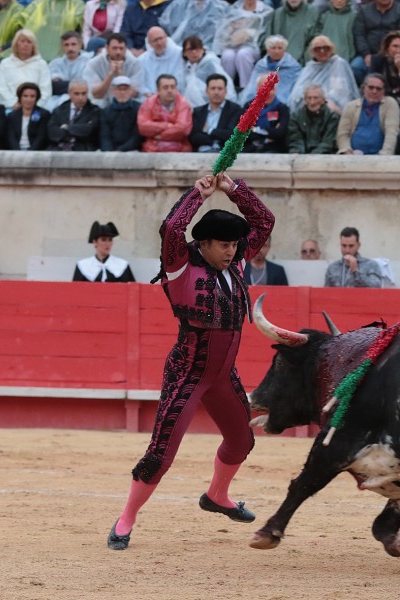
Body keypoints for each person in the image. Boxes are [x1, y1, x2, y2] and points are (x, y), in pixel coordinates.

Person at [106, 172, 274, 551]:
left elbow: (264, 222)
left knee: (242, 440)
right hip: (187, 373)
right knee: (160, 454)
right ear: (204, 244)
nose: (232, 251)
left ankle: (217, 495)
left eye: (235, 244)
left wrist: (234, 190)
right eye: (224, 245)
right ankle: (126, 518)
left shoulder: (237, 263)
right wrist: (198, 195)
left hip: (223, 376)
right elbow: (171, 228)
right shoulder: (180, 266)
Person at [287, 35, 359, 115]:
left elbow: (340, 91)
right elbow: (297, 92)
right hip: (310, 100)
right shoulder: (309, 68)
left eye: (325, 48)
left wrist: (320, 98)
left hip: (331, 103)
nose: (322, 51)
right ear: (312, 52)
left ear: (331, 49)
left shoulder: (338, 64)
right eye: (317, 49)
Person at [212, 0, 273, 90]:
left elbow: (264, 31)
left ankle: (246, 89)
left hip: (253, 46)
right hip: (232, 44)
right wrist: (231, 30)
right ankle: (227, 89)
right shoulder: (233, 9)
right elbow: (223, 30)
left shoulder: (267, 11)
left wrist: (248, 33)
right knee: (227, 55)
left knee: (243, 54)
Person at [336, 73, 400, 155]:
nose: (374, 91)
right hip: (353, 155)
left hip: (380, 156)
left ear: (384, 91)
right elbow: (342, 134)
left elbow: (391, 132)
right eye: (371, 87)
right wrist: (346, 150)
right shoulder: (350, 106)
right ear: (364, 88)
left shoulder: (390, 104)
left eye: (378, 89)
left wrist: (385, 154)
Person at [351, 0, 400, 84]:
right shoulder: (364, 10)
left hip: (392, 54)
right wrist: (366, 54)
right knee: (355, 67)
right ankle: (366, 89)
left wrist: (388, 55)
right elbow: (359, 34)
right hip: (368, 53)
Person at [0, 29, 52, 109]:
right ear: (16, 44)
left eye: (29, 42)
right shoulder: (5, 64)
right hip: (11, 108)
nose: (25, 45)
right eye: (22, 41)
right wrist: (14, 104)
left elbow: (46, 90)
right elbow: (2, 88)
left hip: (36, 109)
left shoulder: (41, 64)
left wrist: (34, 106)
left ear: (33, 46)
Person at [84, 33, 143, 109]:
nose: (118, 52)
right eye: (114, 48)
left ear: (126, 49)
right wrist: (110, 75)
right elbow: (96, 95)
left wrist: (121, 75)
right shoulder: (94, 64)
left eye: (121, 48)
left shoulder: (135, 63)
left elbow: (134, 94)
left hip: (127, 105)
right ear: (107, 48)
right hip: (102, 106)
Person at [238, 34, 301, 106]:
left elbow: (294, 90)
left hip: (281, 104)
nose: (276, 51)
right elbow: (252, 86)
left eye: (280, 48)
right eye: (273, 48)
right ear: (268, 50)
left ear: (284, 50)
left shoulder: (293, 66)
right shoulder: (261, 65)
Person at [137, 73, 192, 152]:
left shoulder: (183, 104)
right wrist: (166, 125)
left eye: (173, 87)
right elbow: (143, 126)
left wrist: (160, 136)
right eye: (165, 87)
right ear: (158, 90)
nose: (170, 91)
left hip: (180, 148)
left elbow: (182, 129)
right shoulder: (148, 103)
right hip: (152, 149)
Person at [180, 35, 238, 107]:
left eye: (197, 49)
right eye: (190, 50)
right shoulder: (185, 66)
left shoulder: (210, 64)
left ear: (203, 50)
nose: (194, 52)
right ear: (184, 53)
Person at [18, 0, 85, 61]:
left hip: (64, 58)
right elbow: (22, 21)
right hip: (37, 55)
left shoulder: (77, 4)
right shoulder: (38, 3)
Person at [190, 73, 242, 151]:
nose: (216, 92)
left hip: (224, 152)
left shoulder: (235, 110)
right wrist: (214, 140)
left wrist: (209, 130)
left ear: (226, 91)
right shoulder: (198, 112)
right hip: (200, 153)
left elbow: (231, 134)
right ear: (206, 91)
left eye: (220, 89)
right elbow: (194, 137)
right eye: (213, 88)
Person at [47, 79, 101, 150]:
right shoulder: (60, 110)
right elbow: (52, 132)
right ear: (69, 94)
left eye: (84, 93)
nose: (80, 98)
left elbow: (88, 130)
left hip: (83, 150)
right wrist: (72, 137)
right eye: (76, 94)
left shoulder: (94, 110)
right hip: (58, 148)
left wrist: (66, 127)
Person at [241, 73, 289, 153]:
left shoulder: (282, 108)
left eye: (271, 88)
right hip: (250, 149)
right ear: (257, 89)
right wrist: (271, 132)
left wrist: (255, 129)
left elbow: (280, 134)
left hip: (275, 150)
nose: (268, 92)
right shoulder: (248, 106)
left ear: (276, 90)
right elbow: (244, 133)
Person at [365, 30, 400, 106]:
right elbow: (372, 86)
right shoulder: (377, 60)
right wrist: (394, 91)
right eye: (395, 46)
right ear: (388, 47)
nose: (398, 50)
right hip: (378, 100)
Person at [287, 84, 339, 154]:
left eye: (316, 98)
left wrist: (313, 156)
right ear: (305, 100)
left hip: (324, 156)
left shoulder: (332, 117)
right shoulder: (295, 116)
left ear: (323, 100)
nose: (312, 102)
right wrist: (299, 154)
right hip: (301, 155)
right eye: (309, 98)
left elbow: (328, 142)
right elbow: (295, 140)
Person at [264, 0, 319, 65]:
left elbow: (314, 39)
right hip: (277, 62)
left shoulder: (312, 12)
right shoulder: (277, 14)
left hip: (302, 63)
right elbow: (269, 41)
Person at [160, 0, 229, 51]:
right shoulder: (178, 5)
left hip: (209, 51)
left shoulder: (222, 7)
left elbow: (224, 35)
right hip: (179, 49)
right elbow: (166, 28)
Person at [48, 31, 91, 110]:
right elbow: (54, 87)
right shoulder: (55, 63)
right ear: (62, 47)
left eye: (73, 44)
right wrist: (76, 85)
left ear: (80, 45)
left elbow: (88, 85)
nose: (70, 48)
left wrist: (64, 84)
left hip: (83, 98)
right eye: (66, 45)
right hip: (56, 100)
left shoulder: (89, 62)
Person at [138, 26, 184, 98]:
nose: (159, 43)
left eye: (161, 38)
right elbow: (139, 83)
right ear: (149, 43)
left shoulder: (180, 54)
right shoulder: (143, 59)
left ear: (166, 37)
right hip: (150, 99)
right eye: (155, 40)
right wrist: (149, 95)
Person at [99, 74, 142, 150]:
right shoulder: (106, 112)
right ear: (113, 91)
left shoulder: (138, 109)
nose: (122, 93)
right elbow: (105, 136)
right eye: (119, 89)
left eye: (125, 89)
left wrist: (121, 150)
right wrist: (108, 152)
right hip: (112, 151)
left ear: (130, 91)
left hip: (133, 151)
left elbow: (137, 136)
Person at [6, 81, 51, 150]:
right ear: (20, 97)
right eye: (25, 96)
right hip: (16, 151)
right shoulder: (12, 116)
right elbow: (11, 137)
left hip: (36, 152)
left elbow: (41, 137)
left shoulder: (43, 114)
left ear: (37, 98)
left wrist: (29, 153)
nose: (28, 100)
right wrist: (17, 152)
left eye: (32, 96)